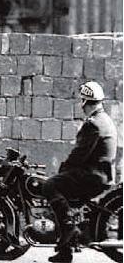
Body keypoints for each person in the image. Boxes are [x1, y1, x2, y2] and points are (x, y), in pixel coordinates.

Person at [41, 81, 117, 263]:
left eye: (82, 101)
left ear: (85, 102)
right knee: (62, 187)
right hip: (101, 174)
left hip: (93, 175)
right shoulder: (105, 119)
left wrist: (63, 168)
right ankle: (65, 251)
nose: (82, 106)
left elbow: (79, 154)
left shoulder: (93, 124)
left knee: (50, 185)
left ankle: (69, 229)